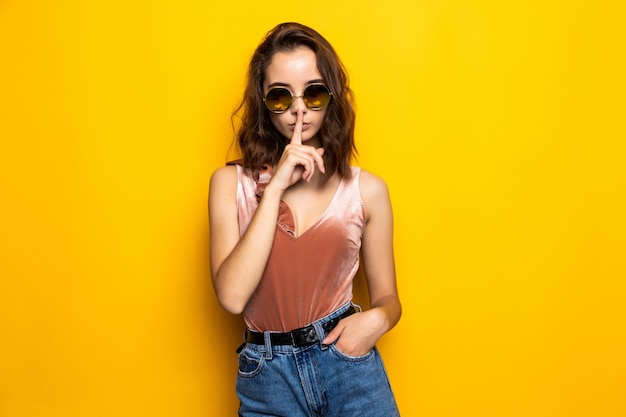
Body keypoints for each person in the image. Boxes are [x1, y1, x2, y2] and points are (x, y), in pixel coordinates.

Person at [209, 22, 401, 416]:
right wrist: (275, 187)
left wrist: (377, 321)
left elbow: (389, 299)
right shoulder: (230, 184)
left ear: (331, 97)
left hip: (349, 367)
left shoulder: (367, 191)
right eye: (281, 97)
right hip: (268, 379)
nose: (299, 109)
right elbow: (231, 296)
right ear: (264, 104)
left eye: (313, 93)